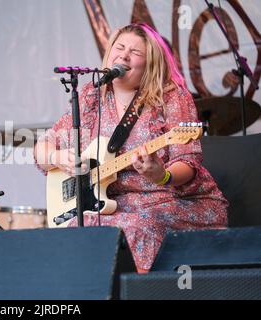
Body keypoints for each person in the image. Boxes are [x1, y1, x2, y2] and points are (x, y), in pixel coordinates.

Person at [34, 23, 228, 273]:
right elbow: (42, 148)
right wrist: (57, 156)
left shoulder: (171, 97)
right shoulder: (91, 97)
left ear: (150, 63)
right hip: (114, 205)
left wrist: (162, 175)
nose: (124, 55)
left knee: (129, 228)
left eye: (135, 52)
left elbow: (188, 163)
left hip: (171, 201)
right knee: (77, 231)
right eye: (120, 47)